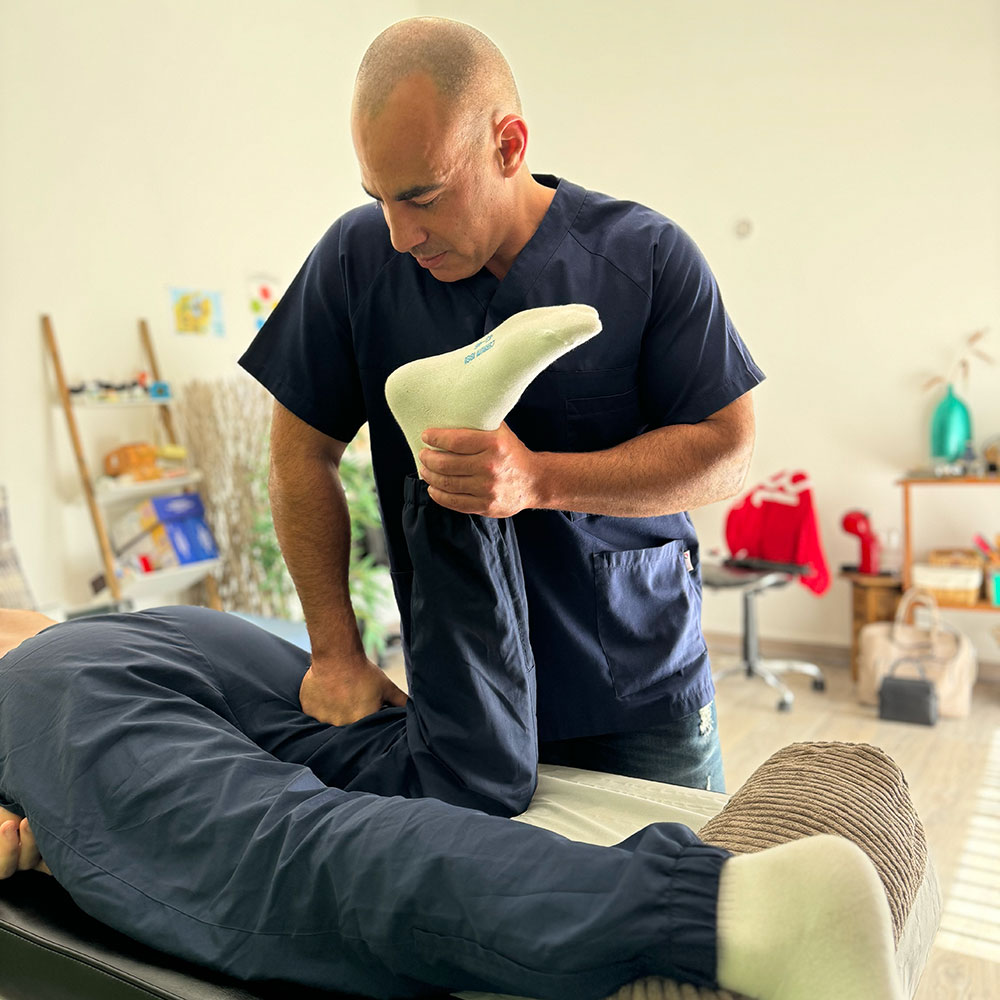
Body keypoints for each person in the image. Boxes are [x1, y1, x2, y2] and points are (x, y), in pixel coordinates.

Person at [0, 484, 901, 1000]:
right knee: (447, 771)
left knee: (281, 852)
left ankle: (728, 912)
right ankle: (455, 492)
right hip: (161, 635)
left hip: (51, 681)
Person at [238, 16, 764, 789]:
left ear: (509, 145)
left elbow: (730, 451)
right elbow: (298, 456)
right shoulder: (355, 261)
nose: (400, 234)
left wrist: (540, 480)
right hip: (460, 697)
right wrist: (336, 653)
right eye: (378, 198)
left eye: (423, 197)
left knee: (673, 867)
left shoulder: (645, 256)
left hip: (638, 692)